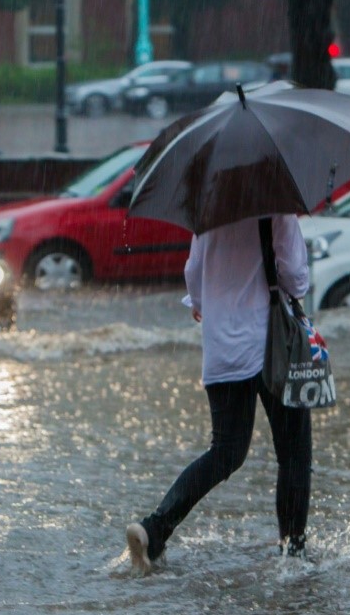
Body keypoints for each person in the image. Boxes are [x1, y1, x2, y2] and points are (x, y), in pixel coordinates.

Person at [126, 213, 312, 573]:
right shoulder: (275, 206)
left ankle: (155, 527)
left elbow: (194, 277)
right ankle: (293, 553)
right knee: (293, 452)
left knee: (226, 451)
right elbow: (295, 277)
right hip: (271, 345)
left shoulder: (208, 210)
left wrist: (205, 301)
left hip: (222, 350)